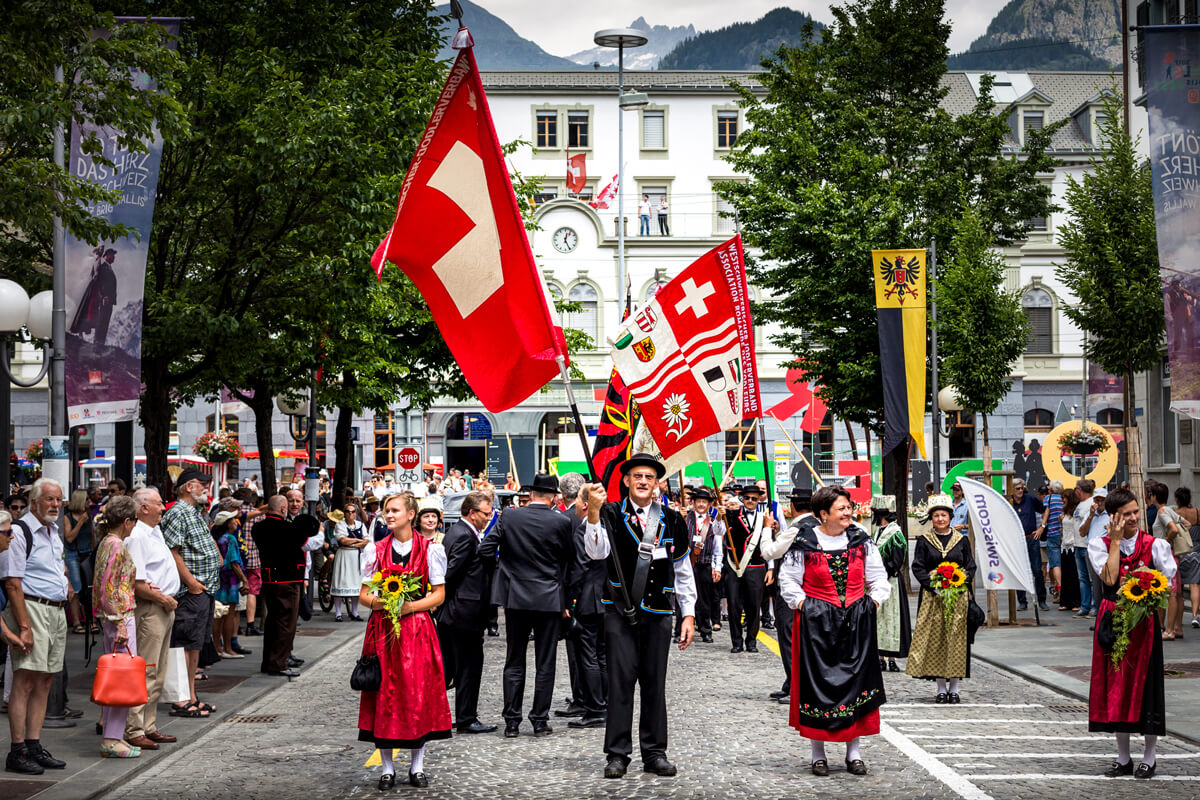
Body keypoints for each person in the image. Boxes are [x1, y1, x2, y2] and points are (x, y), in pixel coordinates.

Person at [583, 453, 697, 780]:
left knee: (653, 684)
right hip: (619, 611)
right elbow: (595, 552)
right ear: (627, 481)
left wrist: (688, 614)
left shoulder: (673, 520)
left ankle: (655, 752)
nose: (644, 482)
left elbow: (683, 572)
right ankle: (617, 754)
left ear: (657, 482)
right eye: (637, 476)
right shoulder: (608, 514)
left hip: (659, 613)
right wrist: (593, 512)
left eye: (649, 477)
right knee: (620, 685)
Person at [777, 485, 890, 777]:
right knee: (819, 687)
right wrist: (804, 604)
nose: (848, 513)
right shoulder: (804, 543)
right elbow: (788, 581)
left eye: (848, 507)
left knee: (855, 684)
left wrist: (873, 602)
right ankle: (818, 754)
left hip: (856, 623)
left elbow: (878, 577)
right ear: (822, 514)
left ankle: (854, 754)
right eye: (841, 509)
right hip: (816, 624)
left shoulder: (861, 541)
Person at [358, 492, 452, 789]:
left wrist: (410, 606)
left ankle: (417, 766)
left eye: (394, 510)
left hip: (417, 630)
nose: (388, 515)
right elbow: (363, 596)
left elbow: (439, 594)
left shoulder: (431, 549)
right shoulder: (376, 549)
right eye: (386, 510)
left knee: (417, 695)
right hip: (383, 631)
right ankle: (387, 768)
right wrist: (382, 603)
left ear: (411, 514)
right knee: (383, 694)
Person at [477, 473, 574, 738]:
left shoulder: (509, 516)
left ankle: (512, 721)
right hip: (549, 596)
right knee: (545, 662)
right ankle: (539, 720)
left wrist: (504, 573)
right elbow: (570, 562)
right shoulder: (561, 521)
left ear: (531, 494)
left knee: (514, 660)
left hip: (516, 596)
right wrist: (567, 599)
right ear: (554, 496)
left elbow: (486, 549)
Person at [1090, 487, 1176, 779]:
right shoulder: (1099, 545)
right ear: (1113, 517)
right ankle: (1123, 756)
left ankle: (1149, 757)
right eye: (1127, 514)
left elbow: (1167, 583)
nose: (1134, 518)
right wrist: (1115, 542)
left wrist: (1149, 587)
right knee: (1117, 686)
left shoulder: (1155, 545)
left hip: (1144, 625)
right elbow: (1111, 578)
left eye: (1136, 512)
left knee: (1148, 687)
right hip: (1113, 620)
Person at [3, 478, 70, 775]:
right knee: (25, 679)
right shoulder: (21, 530)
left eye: (58, 500)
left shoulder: (53, 531)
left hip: (55, 612)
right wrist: (25, 626)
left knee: (45, 680)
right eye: (50, 499)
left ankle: (33, 744)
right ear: (35, 502)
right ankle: (17, 750)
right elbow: (13, 583)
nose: (55, 504)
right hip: (32, 609)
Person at [123, 487, 180, 751]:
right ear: (143, 507)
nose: (163, 508)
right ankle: (134, 728)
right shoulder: (136, 536)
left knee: (157, 670)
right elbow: (137, 582)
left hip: (163, 607)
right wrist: (164, 599)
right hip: (151, 608)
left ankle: (149, 725)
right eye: (158, 504)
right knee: (145, 669)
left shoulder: (153, 531)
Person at [906, 494, 977, 704]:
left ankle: (954, 688)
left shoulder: (961, 541)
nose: (940, 519)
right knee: (936, 641)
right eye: (936, 515)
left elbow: (970, 566)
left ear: (950, 517)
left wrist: (960, 583)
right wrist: (932, 585)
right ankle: (940, 688)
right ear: (932, 518)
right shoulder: (924, 541)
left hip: (957, 599)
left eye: (943, 515)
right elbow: (917, 566)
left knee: (956, 641)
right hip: (932, 599)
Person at [160, 469, 219, 719]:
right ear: (188, 487)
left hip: (203, 589)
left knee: (195, 646)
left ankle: (191, 696)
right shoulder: (177, 513)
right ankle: (181, 698)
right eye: (203, 484)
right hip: (191, 590)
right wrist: (191, 583)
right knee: (185, 645)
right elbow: (171, 552)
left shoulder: (194, 512)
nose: (207, 487)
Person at [438, 490, 497, 735]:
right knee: (468, 668)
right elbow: (449, 574)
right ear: (472, 513)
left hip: (458, 612)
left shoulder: (460, 532)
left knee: (454, 669)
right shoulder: (464, 536)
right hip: (463, 613)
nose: (489, 517)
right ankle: (466, 717)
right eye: (485, 513)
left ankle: (455, 716)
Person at [91, 495, 142, 758]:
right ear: (126, 521)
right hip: (119, 617)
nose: (135, 525)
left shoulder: (107, 543)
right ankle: (112, 738)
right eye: (134, 520)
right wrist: (120, 622)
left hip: (114, 617)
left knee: (118, 677)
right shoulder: (116, 546)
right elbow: (109, 588)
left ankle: (114, 736)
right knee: (122, 679)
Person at [559, 474, 607, 729]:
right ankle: (603, 703)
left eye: (578, 498)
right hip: (603, 599)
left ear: (587, 504)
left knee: (588, 656)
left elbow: (579, 569)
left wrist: (569, 601)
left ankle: (595, 708)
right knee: (600, 655)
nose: (576, 503)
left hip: (587, 599)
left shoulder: (583, 528)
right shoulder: (605, 525)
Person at [759, 487, 813, 704]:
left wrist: (765, 530)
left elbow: (769, 552)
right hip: (811, 590)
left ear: (792, 506)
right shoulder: (818, 527)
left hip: (790, 592)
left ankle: (796, 687)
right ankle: (792, 683)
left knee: (790, 641)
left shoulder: (797, 529)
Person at [253, 496, 316, 677]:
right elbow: (310, 543)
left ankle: (269, 661)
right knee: (285, 624)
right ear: (283, 509)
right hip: (287, 580)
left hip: (269, 579)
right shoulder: (288, 528)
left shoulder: (259, 528)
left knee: (273, 622)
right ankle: (279, 663)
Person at [721, 484, 777, 653]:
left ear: (758, 499)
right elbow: (718, 532)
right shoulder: (730, 515)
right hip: (734, 567)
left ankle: (751, 641)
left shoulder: (764, 518)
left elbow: (770, 543)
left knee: (754, 606)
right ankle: (736, 642)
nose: (750, 501)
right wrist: (718, 517)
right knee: (734, 606)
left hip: (757, 566)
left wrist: (771, 568)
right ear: (742, 499)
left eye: (754, 498)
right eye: (747, 498)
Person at [870, 495, 910, 672]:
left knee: (892, 619)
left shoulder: (895, 533)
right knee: (879, 619)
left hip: (891, 580)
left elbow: (897, 560)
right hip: (877, 581)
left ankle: (892, 658)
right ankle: (879, 657)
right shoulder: (878, 531)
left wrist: (881, 573)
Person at [684, 487, 724, 645]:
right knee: (685, 596)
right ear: (693, 503)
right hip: (687, 564)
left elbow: (717, 547)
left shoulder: (714, 522)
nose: (701, 504)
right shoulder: (684, 518)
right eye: (698, 501)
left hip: (705, 565)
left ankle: (705, 630)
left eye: (704, 502)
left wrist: (717, 567)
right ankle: (680, 629)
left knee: (704, 600)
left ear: (709, 505)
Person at [1149, 482, 1188, 641]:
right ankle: (1177, 628)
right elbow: (1187, 523)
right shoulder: (1170, 510)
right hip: (1174, 555)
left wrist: (1165, 542)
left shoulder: (1163, 511)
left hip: (1167, 555)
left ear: (1154, 496)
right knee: (1177, 593)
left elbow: (1173, 528)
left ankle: (1169, 630)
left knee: (1170, 593)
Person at [210, 511, 248, 658]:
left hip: (220, 578)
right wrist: (244, 580)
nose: (235, 522)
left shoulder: (219, 538)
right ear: (227, 523)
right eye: (232, 519)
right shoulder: (230, 539)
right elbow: (234, 562)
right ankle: (227, 648)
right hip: (230, 580)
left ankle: (217, 647)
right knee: (229, 614)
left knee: (219, 614)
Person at [1010, 478, 1047, 611]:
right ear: (1012, 489)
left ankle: (1042, 600)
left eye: (1022, 488)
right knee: (1020, 570)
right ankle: (1022, 601)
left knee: (1037, 570)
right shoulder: (1009, 502)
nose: (1020, 491)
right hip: (1017, 540)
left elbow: (1045, 510)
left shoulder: (1030, 499)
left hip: (1032, 538)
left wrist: (1041, 527)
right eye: (1017, 488)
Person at [62, 489, 96, 634]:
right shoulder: (67, 517)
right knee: (75, 588)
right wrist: (80, 522)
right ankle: (76, 622)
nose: (89, 501)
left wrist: (95, 552)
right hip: (73, 554)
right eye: (86, 499)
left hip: (87, 553)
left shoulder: (87, 515)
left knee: (91, 588)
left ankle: (92, 620)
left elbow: (92, 535)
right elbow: (69, 538)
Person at [1077, 482, 1109, 619]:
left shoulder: (1110, 515)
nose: (1099, 503)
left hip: (1105, 552)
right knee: (1093, 581)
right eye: (1097, 500)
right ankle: (1096, 608)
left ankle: (1103, 608)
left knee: (1104, 582)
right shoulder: (1091, 515)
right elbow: (1082, 532)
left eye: (1102, 500)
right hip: (1090, 551)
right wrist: (1090, 516)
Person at [332, 504, 369, 622]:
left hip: (356, 556)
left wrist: (354, 542)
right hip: (344, 555)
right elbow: (342, 540)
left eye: (353, 512)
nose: (350, 514)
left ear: (356, 513)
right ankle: (338, 612)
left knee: (355, 584)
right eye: (348, 511)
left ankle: (354, 611)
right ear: (344, 513)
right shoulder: (340, 525)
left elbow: (367, 539)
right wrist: (358, 540)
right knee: (340, 582)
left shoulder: (360, 525)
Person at [1174, 487, 1200, 630]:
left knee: (1179, 588)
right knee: (1195, 585)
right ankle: (1195, 616)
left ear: (1177, 499)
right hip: (1196, 552)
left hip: (1180, 552)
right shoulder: (1197, 512)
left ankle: (1178, 618)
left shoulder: (1175, 514)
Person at [1043, 480, 1066, 605]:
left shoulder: (1048, 499)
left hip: (1051, 533)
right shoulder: (1063, 499)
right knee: (1064, 564)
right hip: (1064, 534)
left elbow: (1044, 513)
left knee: (1055, 564)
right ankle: (1063, 589)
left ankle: (1060, 589)